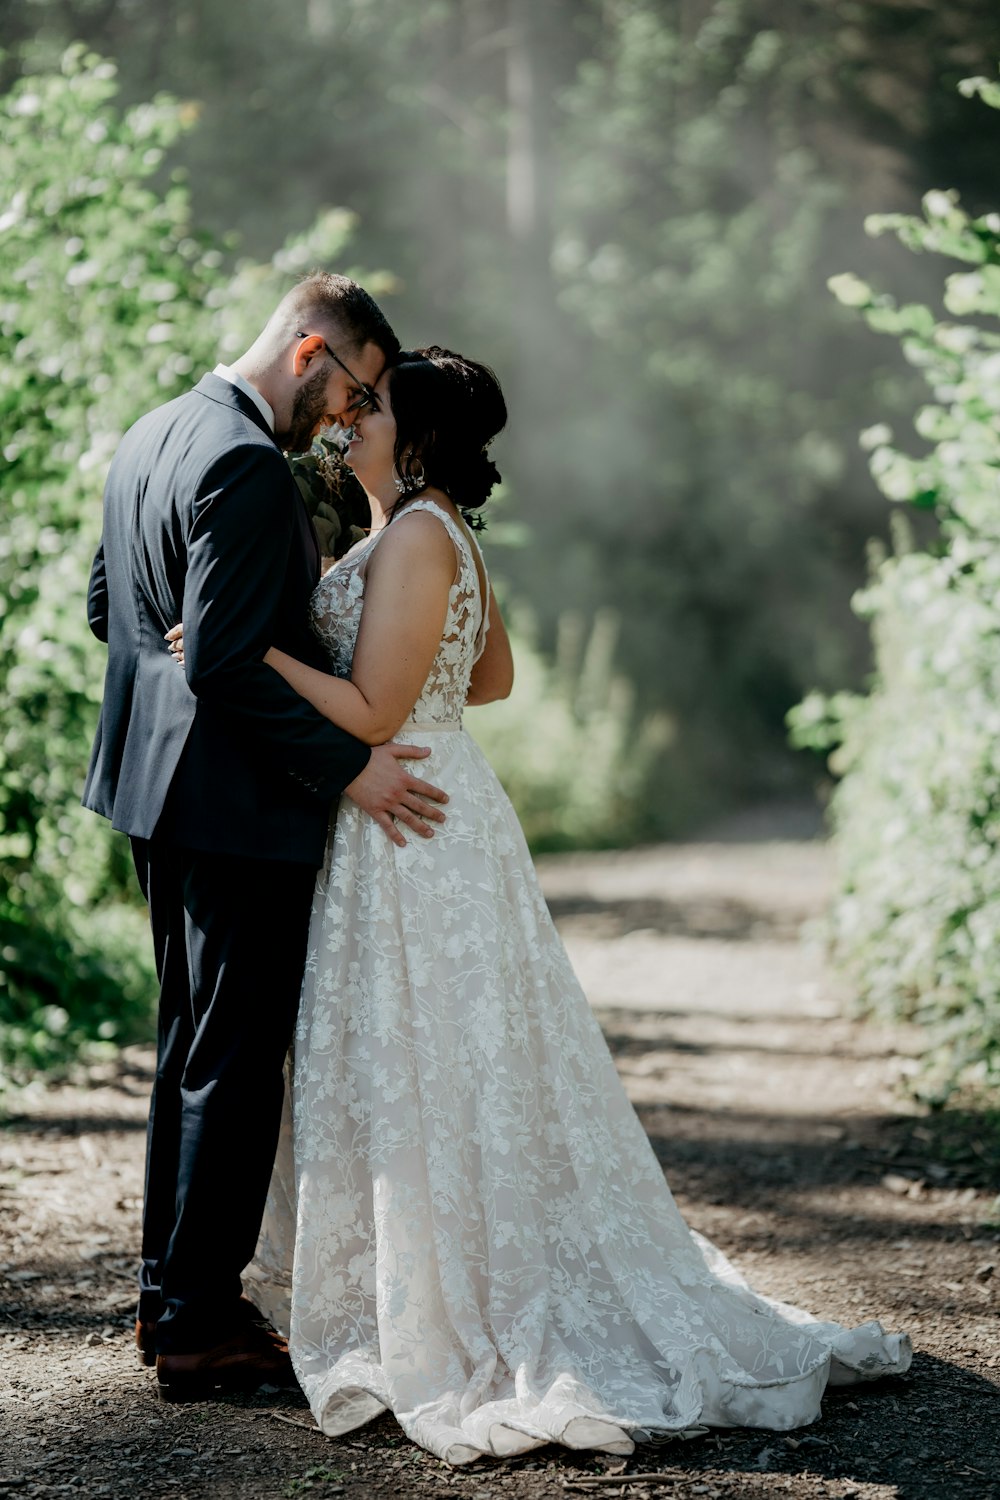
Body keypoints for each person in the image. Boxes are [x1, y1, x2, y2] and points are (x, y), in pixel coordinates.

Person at [171, 346, 911, 1462]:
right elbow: (492, 677)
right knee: (426, 1058)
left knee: (439, 1055)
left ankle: (469, 1301)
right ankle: (420, 1281)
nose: (345, 421)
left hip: (411, 816)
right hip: (418, 804)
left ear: (416, 436)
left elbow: (374, 711)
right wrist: (392, 681)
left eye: (369, 409)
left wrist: (259, 653)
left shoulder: (420, 533)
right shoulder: (408, 534)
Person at [83, 274, 451, 1402]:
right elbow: (224, 659)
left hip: (158, 792)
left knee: (193, 1051)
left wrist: (179, 694)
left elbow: (111, 606)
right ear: (308, 352)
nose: (346, 417)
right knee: (234, 1065)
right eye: (353, 391)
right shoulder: (242, 459)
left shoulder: (155, 432)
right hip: (238, 807)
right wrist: (352, 766)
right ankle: (198, 1324)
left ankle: (171, 1297)